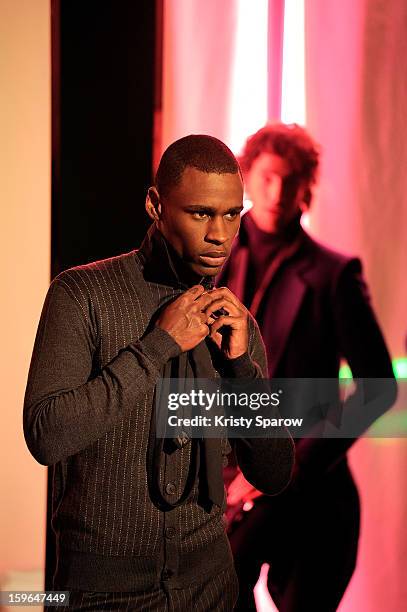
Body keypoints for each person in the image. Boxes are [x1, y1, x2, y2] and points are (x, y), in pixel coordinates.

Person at [23, 134, 294, 611]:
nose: (220, 233)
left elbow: (273, 473)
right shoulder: (82, 294)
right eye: (200, 213)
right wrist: (155, 348)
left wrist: (241, 370)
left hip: (210, 589)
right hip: (100, 597)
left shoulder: (235, 322)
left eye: (232, 214)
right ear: (156, 205)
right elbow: (47, 434)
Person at [217, 123, 397, 611]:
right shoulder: (209, 262)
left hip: (313, 500)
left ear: (307, 186)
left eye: (292, 179)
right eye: (269, 177)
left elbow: (379, 388)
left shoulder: (333, 274)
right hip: (229, 491)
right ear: (246, 178)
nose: (278, 192)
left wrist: (293, 464)